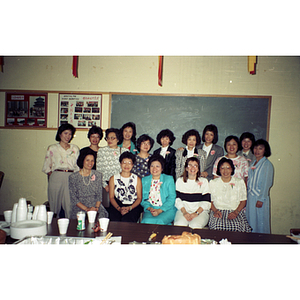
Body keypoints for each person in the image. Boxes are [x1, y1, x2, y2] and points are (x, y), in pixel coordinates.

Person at [42, 123, 79, 218]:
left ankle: (70, 229)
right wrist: (54, 177)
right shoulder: (52, 148)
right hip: (56, 176)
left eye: (70, 134)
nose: (68, 136)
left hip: (71, 177)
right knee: (54, 205)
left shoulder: (74, 148)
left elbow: (77, 166)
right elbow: (47, 167)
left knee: (70, 205)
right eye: (65, 133)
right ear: (60, 134)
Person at [208, 157, 251, 232]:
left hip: (235, 211)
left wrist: (236, 212)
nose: (225, 171)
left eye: (228, 168)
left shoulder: (239, 182)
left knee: (237, 226)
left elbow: (243, 201)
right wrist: (215, 211)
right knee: (216, 226)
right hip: (218, 211)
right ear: (219, 170)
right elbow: (209, 201)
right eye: (222, 168)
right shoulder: (213, 182)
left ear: (232, 169)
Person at [69, 150, 108, 219]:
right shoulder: (73, 177)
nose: (90, 163)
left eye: (92, 160)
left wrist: (96, 208)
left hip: (95, 207)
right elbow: (73, 198)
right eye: (87, 160)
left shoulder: (98, 175)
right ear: (82, 160)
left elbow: (99, 195)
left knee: (102, 220)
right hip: (80, 207)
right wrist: (87, 209)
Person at [174, 157, 211, 229]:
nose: (192, 168)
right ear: (186, 168)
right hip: (183, 210)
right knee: (179, 224)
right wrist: (184, 212)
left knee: (195, 226)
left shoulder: (204, 181)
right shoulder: (180, 181)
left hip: (200, 212)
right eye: (190, 165)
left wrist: (196, 213)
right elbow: (177, 200)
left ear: (198, 168)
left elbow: (206, 202)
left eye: (195, 165)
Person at [246, 139, 274, 234]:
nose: (257, 151)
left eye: (260, 148)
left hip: (260, 197)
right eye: (255, 148)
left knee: (260, 223)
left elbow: (267, 183)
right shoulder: (253, 163)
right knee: (251, 221)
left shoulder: (267, 164)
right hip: (250, 196)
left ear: (265, 150)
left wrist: (261, 199)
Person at [96, 128, 129, 207]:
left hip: (121, 185)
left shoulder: (124, 151)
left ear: (118, 139)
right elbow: (99, 171)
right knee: (107, 208)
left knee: (120, 208)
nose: (110, 140)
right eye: (108, 138)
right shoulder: (101, 151)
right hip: (106, 185)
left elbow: (128, 169)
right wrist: (105, 185)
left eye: (113, 138)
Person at [140, 154, 177, 225]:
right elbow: (142, 199)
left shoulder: (169, 179)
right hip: (151, 210)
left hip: (167, 210)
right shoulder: (144, 180)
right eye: (152, 166)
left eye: (157, 166)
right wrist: (150, 208)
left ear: (162, 168)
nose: (154, 169)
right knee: (146, 222)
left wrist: (160, 210)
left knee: (159, 222)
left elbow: (171, 198)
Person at [108, 152, 143, 222]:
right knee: (115, 220)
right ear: (120, 163)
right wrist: (119, 208)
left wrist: (130, 208)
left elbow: (139, 198)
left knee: (127, 220)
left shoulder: (137, 179)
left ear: (133, 165)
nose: (126, 165)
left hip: (133, 205)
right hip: (117, 204)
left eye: (129, 163)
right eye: (124, 162)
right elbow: (111, 197)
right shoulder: (113, 178)